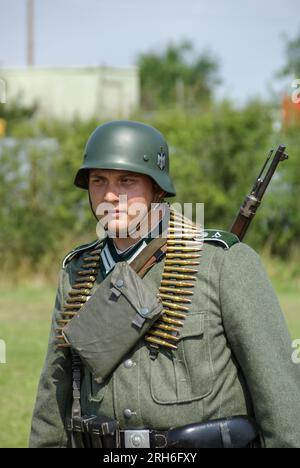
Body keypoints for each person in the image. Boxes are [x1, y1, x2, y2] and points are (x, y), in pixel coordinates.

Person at [29, 120, 300, 448]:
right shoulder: (77, 272)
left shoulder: (222, 263)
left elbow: (280, 397)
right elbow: (53, 396)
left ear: (157, 188)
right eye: (98, 180)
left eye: (126, 180)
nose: (110, 195)